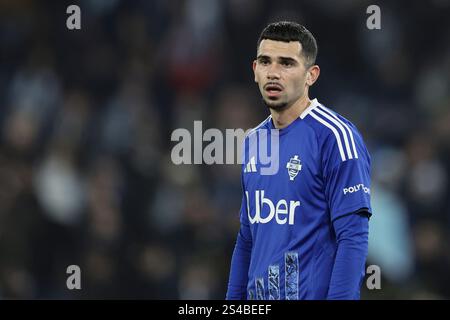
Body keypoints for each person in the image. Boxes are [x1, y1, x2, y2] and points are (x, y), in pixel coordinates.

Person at [226, 21, 372, 300]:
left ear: (311, 75)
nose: (274, 73)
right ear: (255, 70)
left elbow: (352, 236)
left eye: (287, 64)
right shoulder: (254, 141)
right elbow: (247, 238)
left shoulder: (335, 136)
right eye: (266, 61)